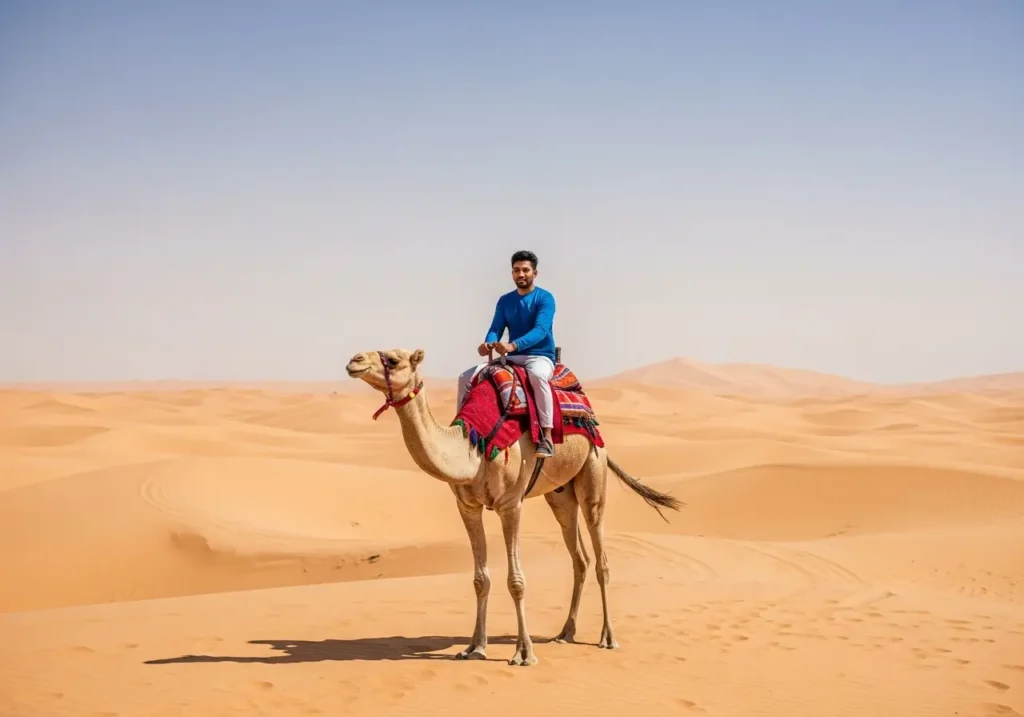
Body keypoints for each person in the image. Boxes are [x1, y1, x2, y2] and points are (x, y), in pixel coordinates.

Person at [456, 250, 557, 457]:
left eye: (525, 270)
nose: (521, 274)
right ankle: (461, 429)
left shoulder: (545, 298)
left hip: (538, 356)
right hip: (510, 357)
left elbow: (541, 330)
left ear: (535, 273)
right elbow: (496, 328)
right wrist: (489, 343)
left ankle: (546, 436)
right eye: (516, 270)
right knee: (465, 377)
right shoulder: (504, 301)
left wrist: (513, 345)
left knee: (538, 376)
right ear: (512, 273)